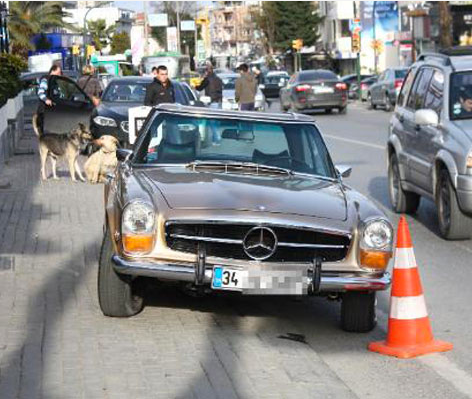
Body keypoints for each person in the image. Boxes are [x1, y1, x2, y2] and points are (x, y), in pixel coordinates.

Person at [36, 64, 62, 135]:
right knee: (45, 135)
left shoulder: (55, 81)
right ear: (53, 71)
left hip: (52, 111)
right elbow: (40, 92)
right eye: (58, 72)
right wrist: (46, 100)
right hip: (44, 111)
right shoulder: (46, 80)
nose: (60, 75)